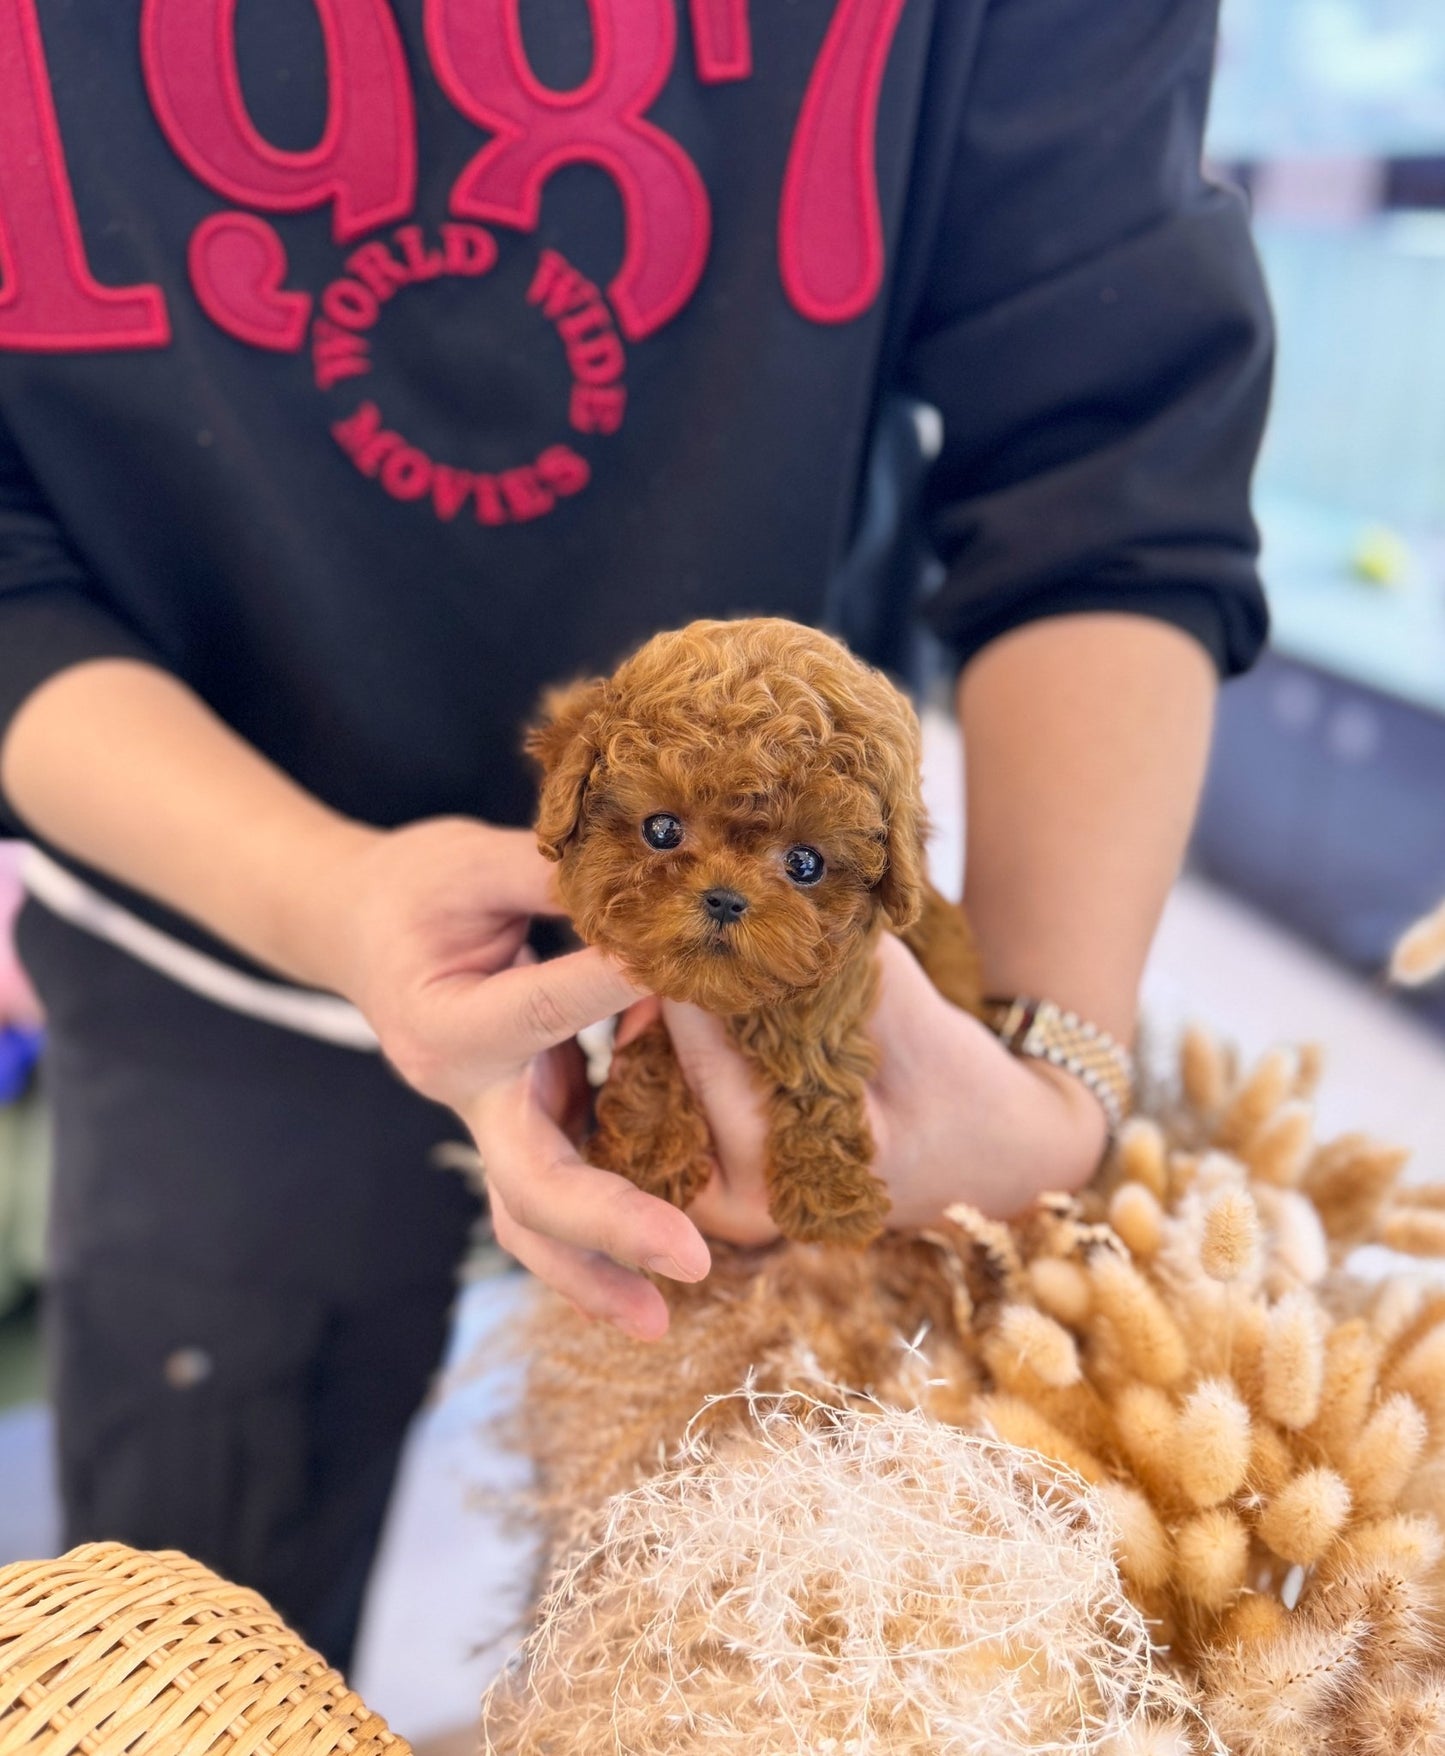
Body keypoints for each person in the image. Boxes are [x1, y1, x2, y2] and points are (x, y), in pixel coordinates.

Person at [0, 0, 1270, 1673]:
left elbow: (1110, 448)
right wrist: (315, 894)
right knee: (188, 1625)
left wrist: (1047, 1063)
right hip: (197, 943)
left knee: (721, 1645)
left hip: (820, 1021)